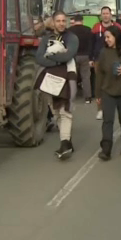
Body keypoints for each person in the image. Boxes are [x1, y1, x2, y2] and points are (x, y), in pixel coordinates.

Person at [35, 11, 79, 159]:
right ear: (53, 22)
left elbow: (69, 55)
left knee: (65, 110)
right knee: (55, 112)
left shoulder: (71, 38)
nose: (61, 23)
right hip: (50, 79)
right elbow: (39, 58)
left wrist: (51, 56)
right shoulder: (46, 38)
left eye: (63, 21)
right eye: (58, 21)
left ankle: (65, 144)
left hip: (66, 77)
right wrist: (57, 59)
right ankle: (67, 140)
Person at [94, 25, 121, 160]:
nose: (106, 40)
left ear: (116, 37)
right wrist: (98, 95)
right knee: (107, 121)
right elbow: (99, 75)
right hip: (108, 91)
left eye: (108, 37)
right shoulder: (103, 53)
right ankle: (106, 149)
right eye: (105, 37)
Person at [90, 6, 121, 120]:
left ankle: (114, 108)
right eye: (103, 13)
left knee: (114, 82)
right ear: (101, 15)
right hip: (99, 60)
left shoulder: (117, 27)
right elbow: (92, 43)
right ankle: (100, 110)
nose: (105, 15)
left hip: (114, 59)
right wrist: (91, 58)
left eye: (107, 13)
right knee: (99, 85)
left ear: (111, 15)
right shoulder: (96, 28)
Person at [68, 14, 94, 103]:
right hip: (85, 56)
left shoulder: (70, 31)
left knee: (73, 77)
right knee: (86, 77)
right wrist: (91, 57)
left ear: (74, 21)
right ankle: (88, 98)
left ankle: (72, 96)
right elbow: (91, 45)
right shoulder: (88, 30)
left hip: (73, 56)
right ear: (82, 21)